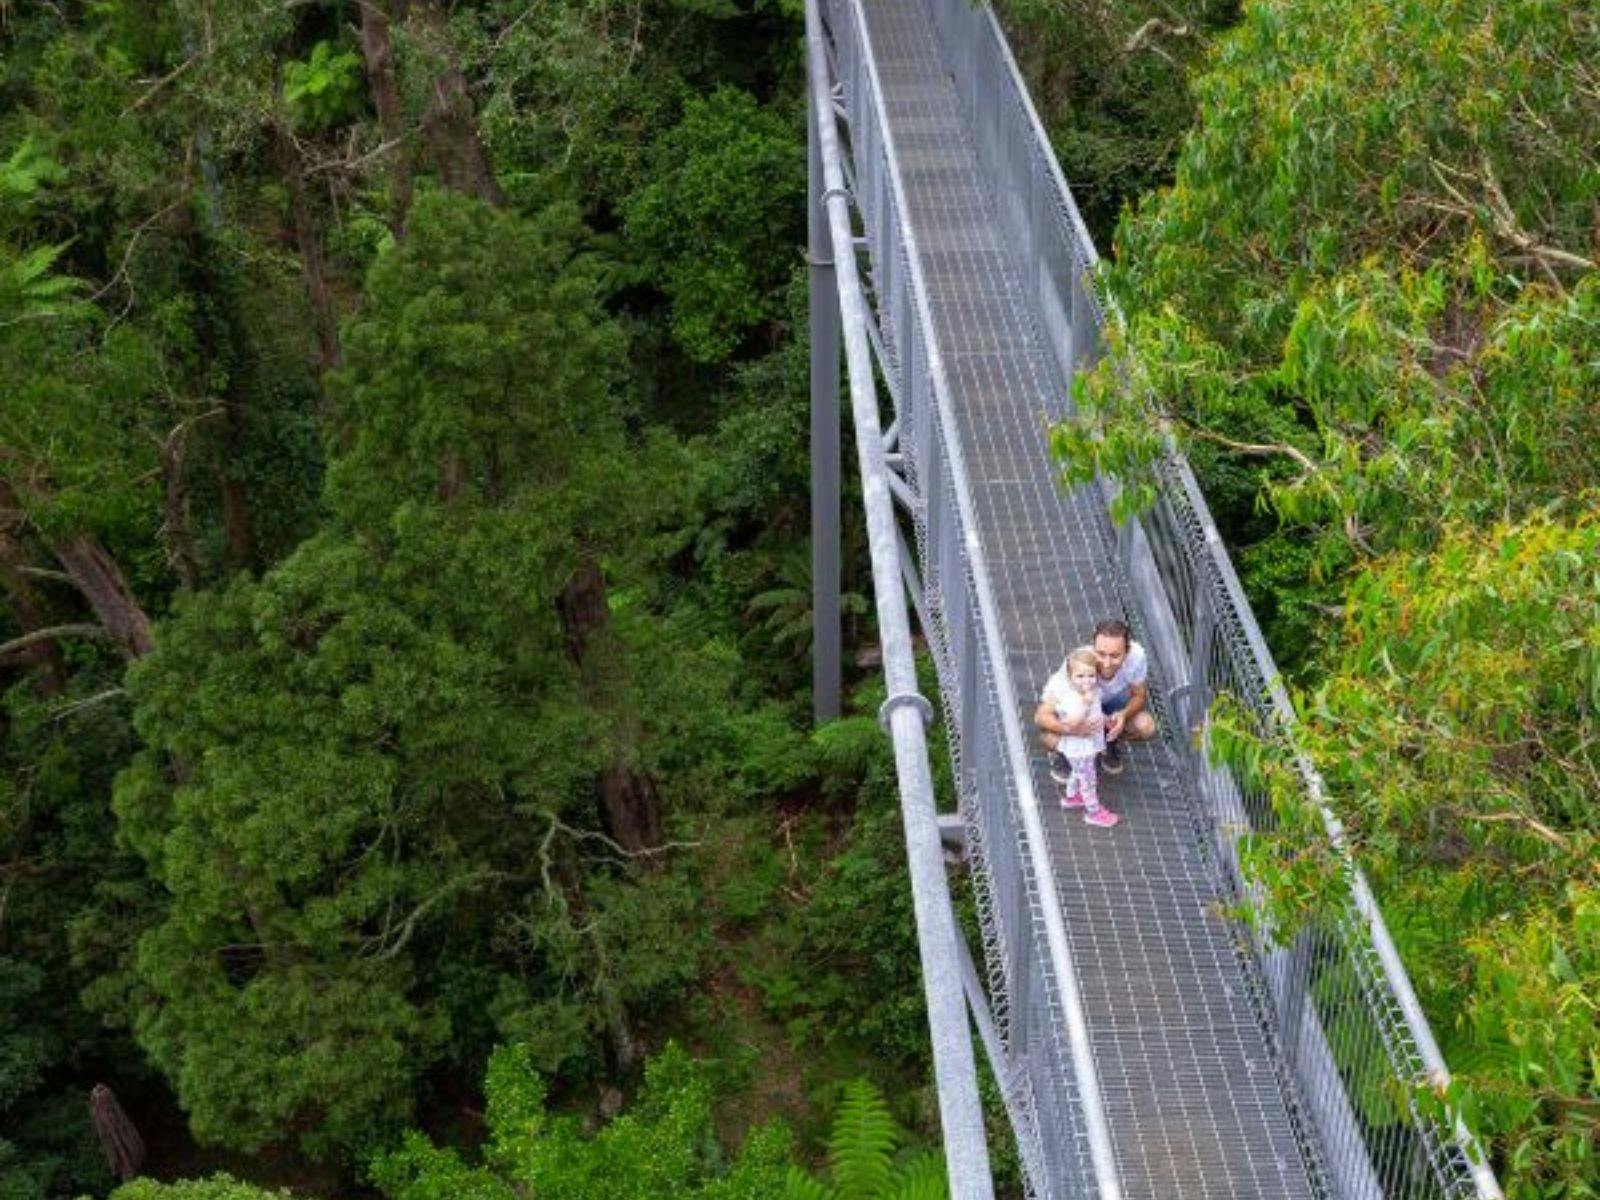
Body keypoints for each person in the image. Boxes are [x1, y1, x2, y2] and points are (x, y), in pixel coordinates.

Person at [1038, 646, 1120, 828]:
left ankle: (1072, 796)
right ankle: (1094, 812)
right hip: (1079, 747)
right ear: (1070, 677)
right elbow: (1072, 723)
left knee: (1079, 772)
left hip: (1090, 744)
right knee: (1089, 779)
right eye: (1080, 676)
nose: (1087, 681)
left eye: (1091, 675)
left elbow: (1095, 712)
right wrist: (1085, 703)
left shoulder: (1094, 691)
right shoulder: (1071, 698)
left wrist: (1106, 720)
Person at [1088, 618, 1156, 774]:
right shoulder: (1081, 660)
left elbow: (1139, 695)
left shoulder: (1137, 657)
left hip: (1115, 704)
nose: (1106, 663)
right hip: (1087, 707)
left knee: (1146, 727)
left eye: (1115, 656)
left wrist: (1123, 715)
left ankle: (1109, 739)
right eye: (1101, 654)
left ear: (1128, 651)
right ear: (1093, 647)